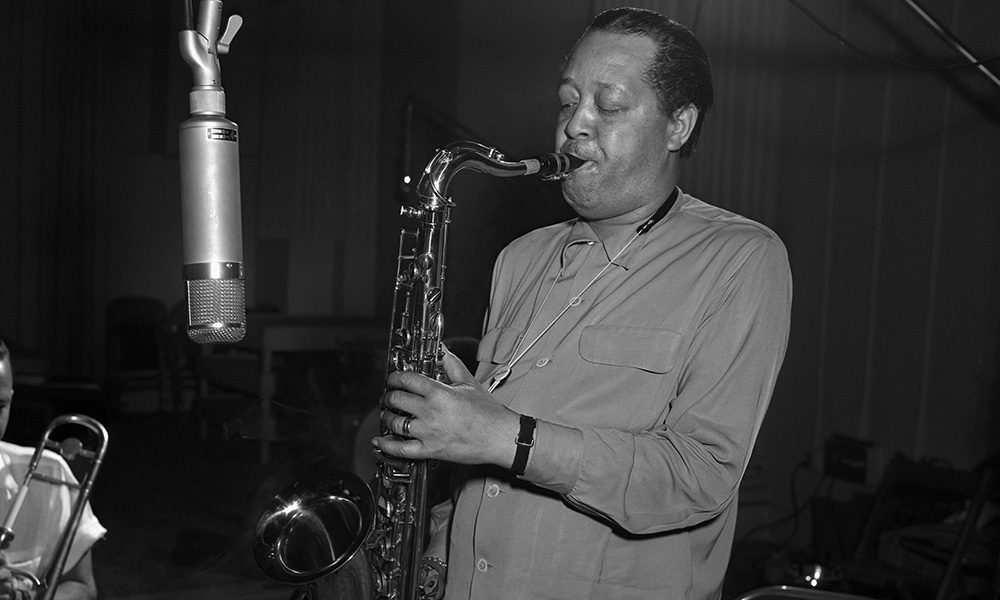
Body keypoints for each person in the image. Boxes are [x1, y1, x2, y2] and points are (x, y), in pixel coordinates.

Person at [375, 7, 792, 599]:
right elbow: (484, 459)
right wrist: (444, 538)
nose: (575, 125)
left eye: (610, 105)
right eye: (568, 102)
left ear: (679, 126)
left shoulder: (742, 257)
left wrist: (508, 438)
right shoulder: (519, 257)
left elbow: (700, 478)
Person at [0, 341, 106, 600]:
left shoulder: (50, 474)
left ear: (11, 398)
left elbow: (81, 586)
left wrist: (24, 597)